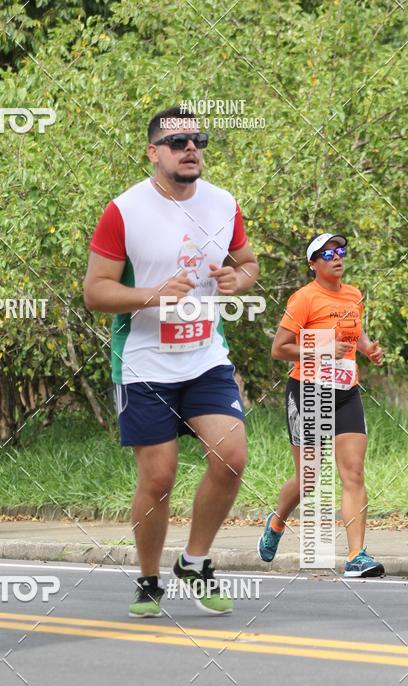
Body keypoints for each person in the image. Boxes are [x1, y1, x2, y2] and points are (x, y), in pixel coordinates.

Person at [84, 105, 259, 617]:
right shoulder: (124, 211)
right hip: (144, 364)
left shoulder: (223, 204)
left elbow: (248, 263)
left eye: (197, 141)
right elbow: (95, 292)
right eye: (177, 142)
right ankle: (148, 579)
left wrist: (238, 279)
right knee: (159, 479)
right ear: (153, 152)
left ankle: (195, 561)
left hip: (205, 358)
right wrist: (152, 295)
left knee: (232, 458)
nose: (190, 149)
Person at [259, 232, 385, 577]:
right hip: (309, 392)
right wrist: (322, 349)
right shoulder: (304, 299)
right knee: (309, 477)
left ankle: (356, 556)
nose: (336, 257)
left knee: (353, 472)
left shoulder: (354, 295)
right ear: (312, 264)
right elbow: (279, 349)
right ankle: (277, 521)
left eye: (340, 250)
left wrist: (367, 348)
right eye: (327, 254)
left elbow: (353, 333)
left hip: (346, 391)